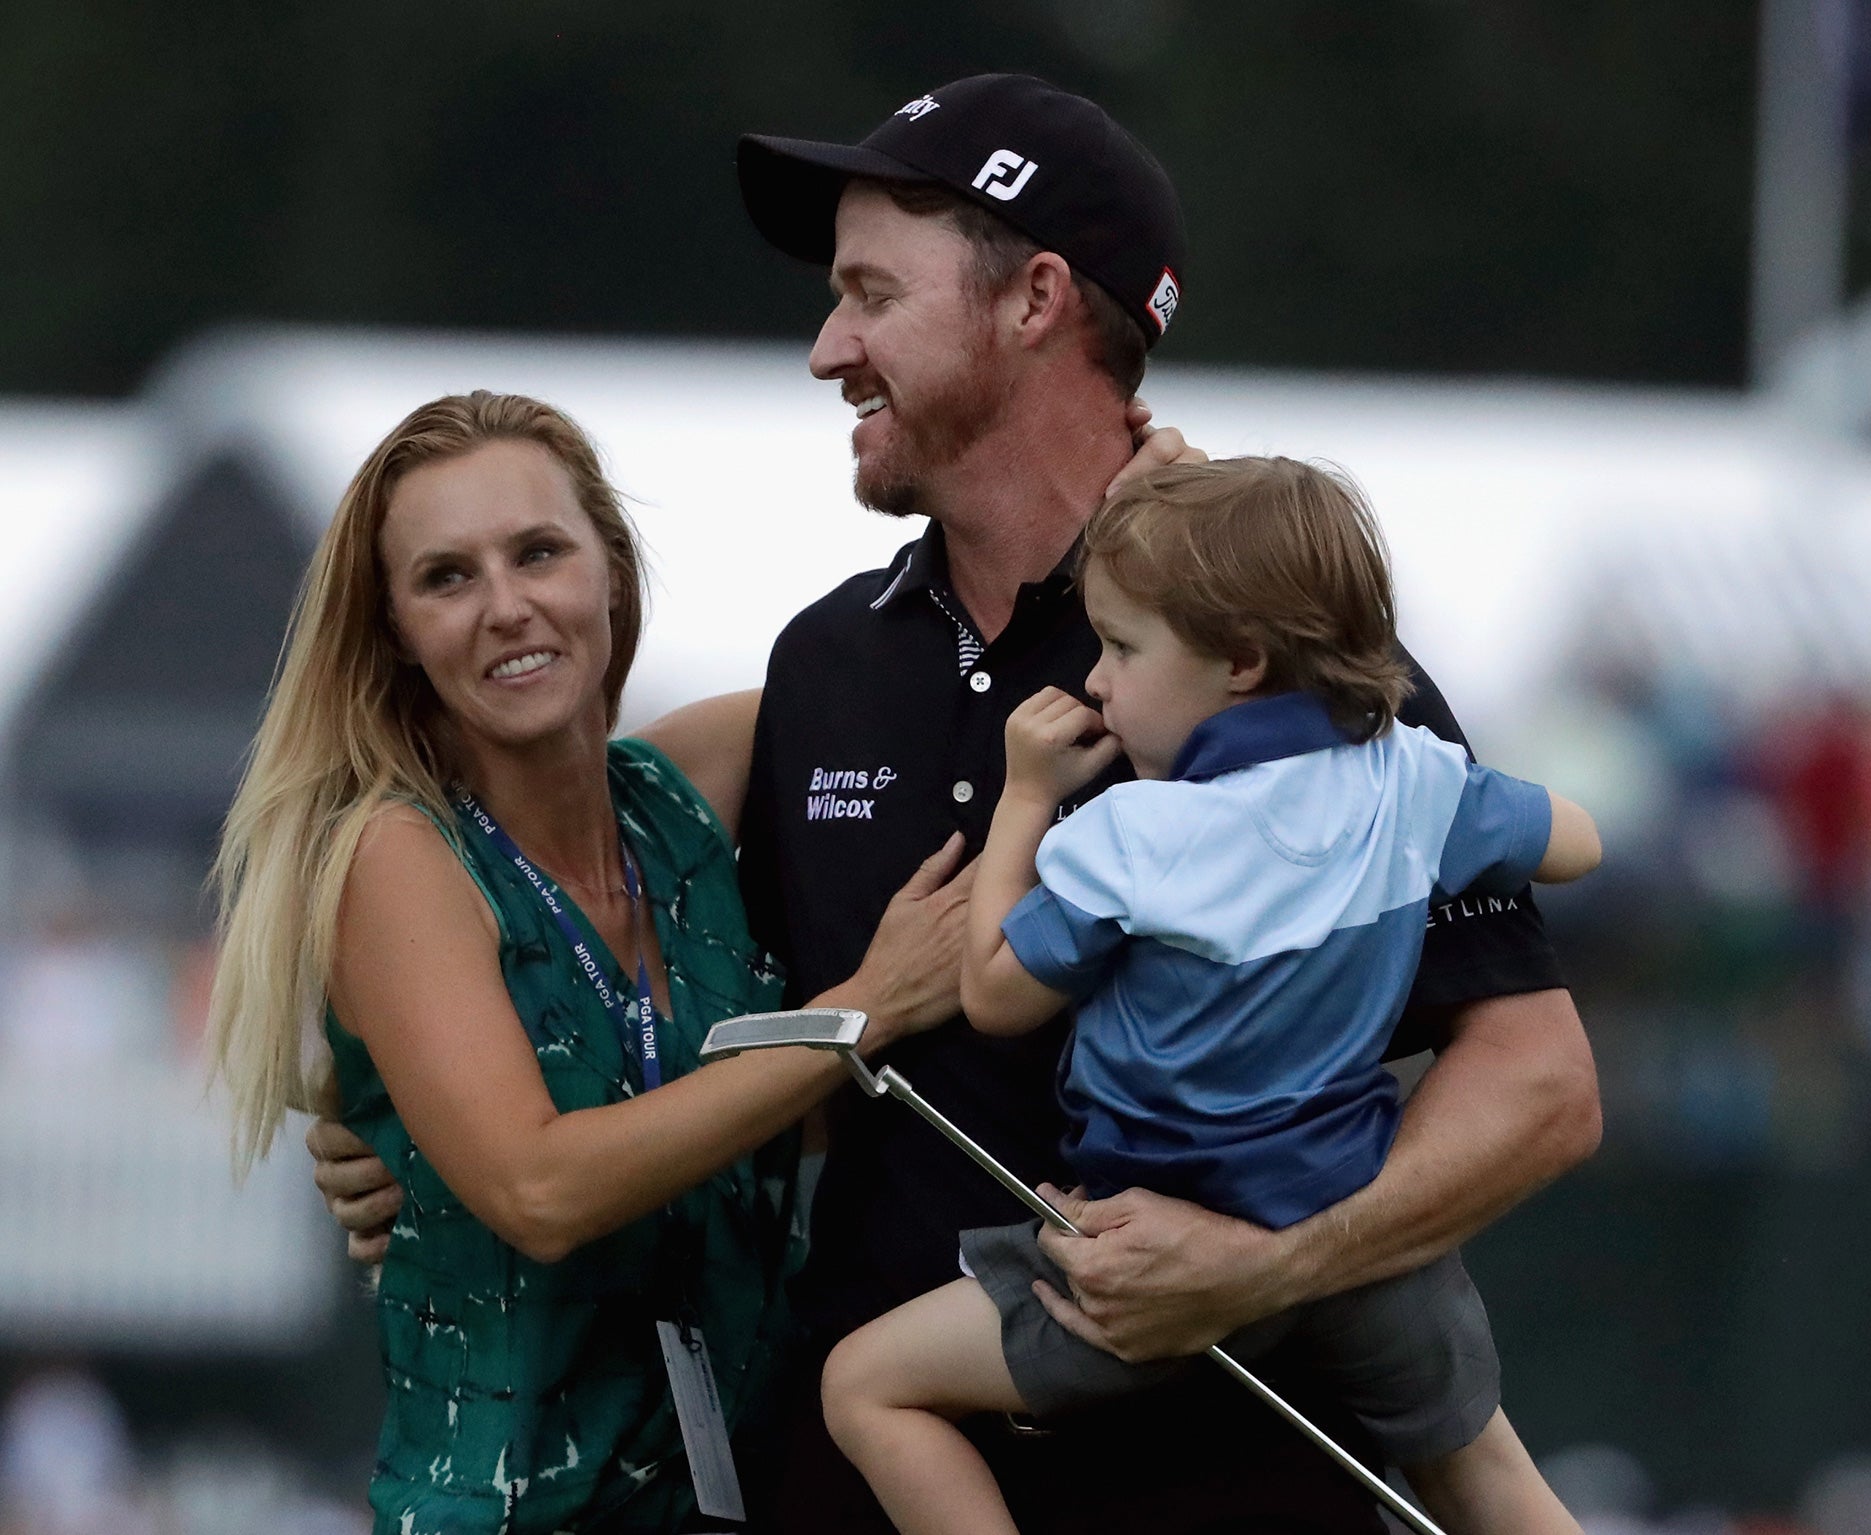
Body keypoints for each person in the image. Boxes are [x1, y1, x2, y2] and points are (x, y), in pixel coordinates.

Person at [315, 74, 1603, 1532]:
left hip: (1230, 1480)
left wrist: (1273, 1265)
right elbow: (723, 1051)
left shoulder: (1270, 657)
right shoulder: (823, 666)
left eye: (872, 294)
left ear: (1036, 297)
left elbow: (1543, 1084)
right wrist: (404, 1140)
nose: (826, 349)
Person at [206, 390, 978, 1533]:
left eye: (539, 552)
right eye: (446, 577)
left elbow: (962, 686)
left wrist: (1141, 514)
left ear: (609, 571)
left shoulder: (688, 785)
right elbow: (540, 1188)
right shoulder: (398, 856)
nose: (508, 607)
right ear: (395, 633)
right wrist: (860, 1013)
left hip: (742, 1490)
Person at [820, 456, 1598, 1535]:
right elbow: (1578, 840)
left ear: (1240, 659)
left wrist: (1025, 800)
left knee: (864, 1383)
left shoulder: (1129, 835)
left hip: (1143, 1265)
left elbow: (996, 991)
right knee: (1492, 1482)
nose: (1095, 678)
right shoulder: (1413, 780)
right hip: (1362, 1245)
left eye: (1122, 647)